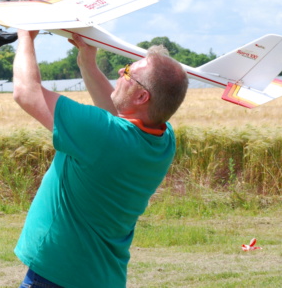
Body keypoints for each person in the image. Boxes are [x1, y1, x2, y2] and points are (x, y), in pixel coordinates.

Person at [12, 30, 189, 288]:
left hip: (58, 275)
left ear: (142, 97)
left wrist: (25, 34)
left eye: (128, 72)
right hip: (102, 277)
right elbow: (118, 113)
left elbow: (26, 92)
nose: (120, 71)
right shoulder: (163, 140)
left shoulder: (102, 135)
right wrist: (87, 62)